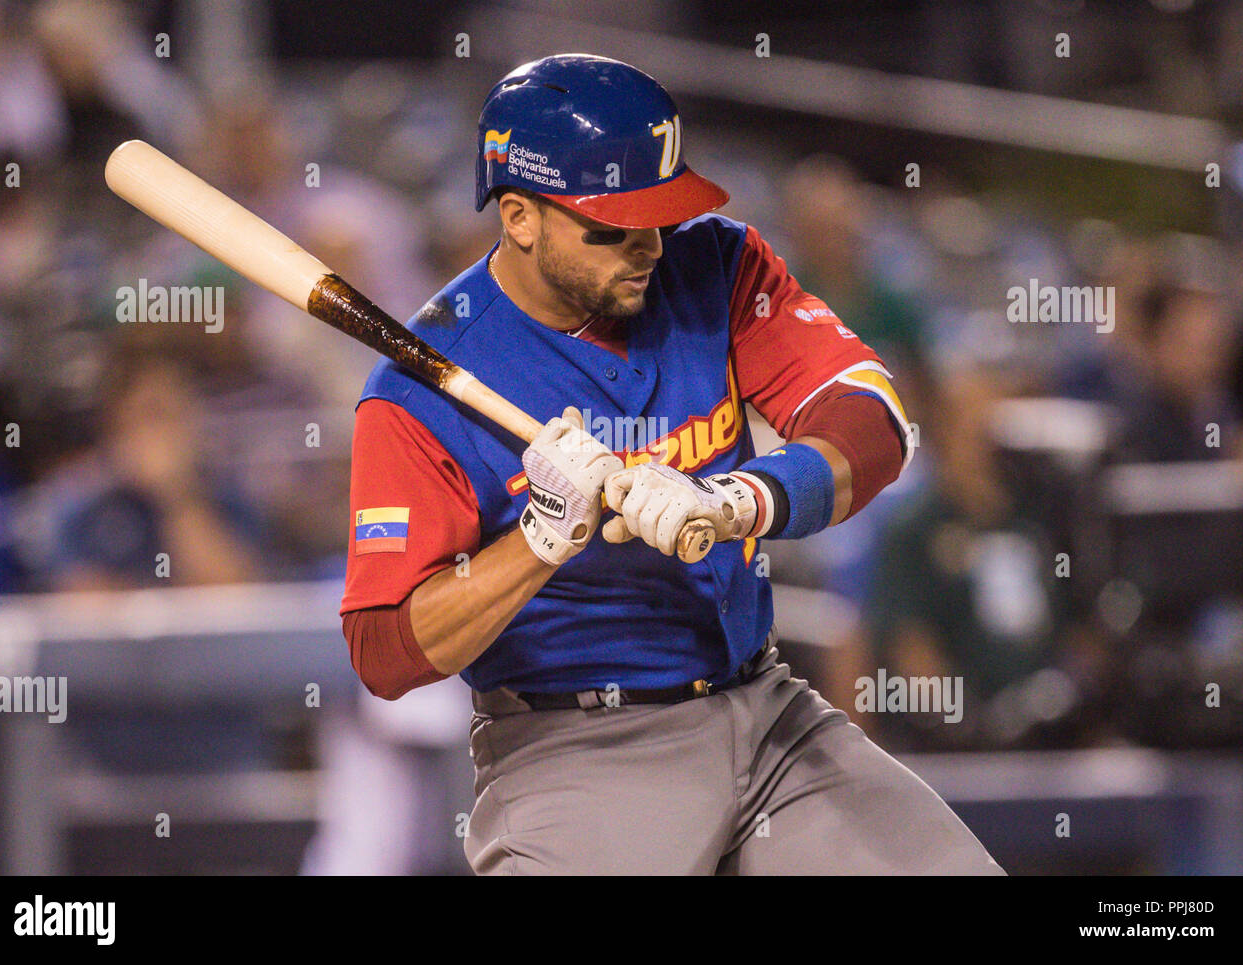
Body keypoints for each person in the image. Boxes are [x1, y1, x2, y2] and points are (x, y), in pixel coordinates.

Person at [340, 53, 1002, 875]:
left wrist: (737, 498)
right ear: (519, 216)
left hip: (767, 714)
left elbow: (875, 421)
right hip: (577, 750)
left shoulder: (712, 266)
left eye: (659, 213)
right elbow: (385, 650)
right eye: (613, 225)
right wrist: (539, 542)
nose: (650, 243)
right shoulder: (416, 390)